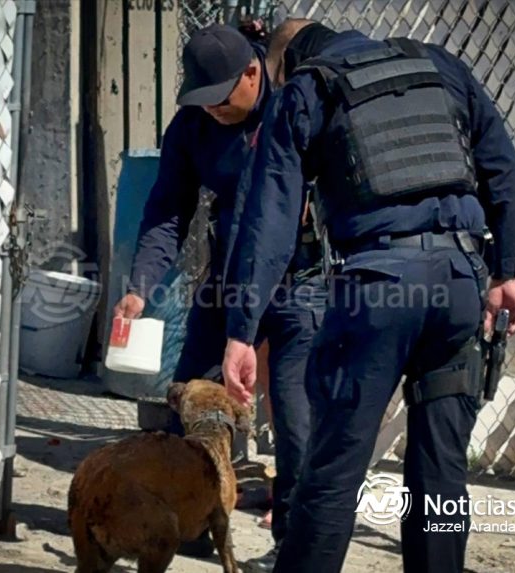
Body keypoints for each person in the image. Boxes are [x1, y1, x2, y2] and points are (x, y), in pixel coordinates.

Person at [222, 20, 515, 573]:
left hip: (378, 290)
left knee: (333, 472)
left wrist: (242, 330)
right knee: (440, 475)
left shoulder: (307, 88)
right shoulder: (442, 65)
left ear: (288, 64)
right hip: (461, 281)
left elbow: (269, 220)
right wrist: (504, 271)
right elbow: (504, 170)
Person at [111, 24, 326, 563]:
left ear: (253, 73)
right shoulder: (193, 126)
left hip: (299, 282)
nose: (213, 110)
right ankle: (192, 510)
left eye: (222, 99)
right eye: (202, 101)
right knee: (191, 396)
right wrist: (139, 288)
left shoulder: (294, 106)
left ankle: (293, 543)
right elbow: (167, 209)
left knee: (296, 415)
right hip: (228, 279)